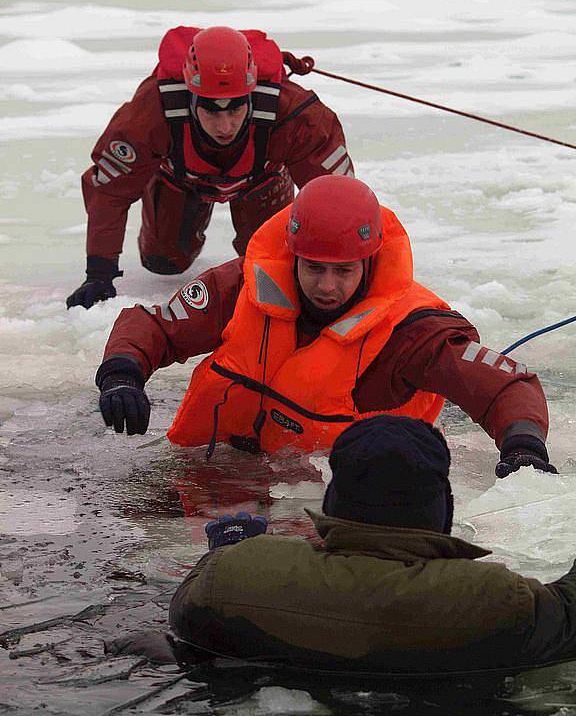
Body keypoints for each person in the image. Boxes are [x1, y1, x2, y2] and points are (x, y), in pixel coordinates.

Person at [95, 175, 553, 478]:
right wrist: (122, 374)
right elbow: (158, 327)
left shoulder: (412, 330)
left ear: (370, 263)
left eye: (344, 271)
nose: (327, 286)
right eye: (314, 268)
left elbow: (504, 384)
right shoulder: (243, 286)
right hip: (210, 471)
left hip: (330, 502)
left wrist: (523, 446)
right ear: (293, 254)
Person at [167, 415, 574, 675]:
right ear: (442, 508)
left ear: (333, 502)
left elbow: (187, 617)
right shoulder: (497, 598)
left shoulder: (235, 574)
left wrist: (228, 551)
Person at [66, 25, 353, 309]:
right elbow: (109, 191)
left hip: (263, 180)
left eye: (235, 109)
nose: (224, 126)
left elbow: (342, 199)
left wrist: (350, 265)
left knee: (270, 267)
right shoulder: (151, 111)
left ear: (252, 95)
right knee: (163, 263)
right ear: (191, 98)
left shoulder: (295, 115)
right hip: (179, 181)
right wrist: (99, 272)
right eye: (211, 111)